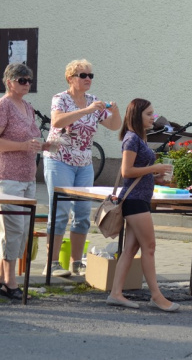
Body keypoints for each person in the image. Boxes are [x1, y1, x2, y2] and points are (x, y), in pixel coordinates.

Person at [44, 59, 121, 277]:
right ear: (70, 78)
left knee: (82, 214)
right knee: (60, 212)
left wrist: (114, 111)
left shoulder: (93, 100)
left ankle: (76, 263)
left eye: (90, 76)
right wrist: (86, 110)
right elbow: (57, 121)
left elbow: (114, 126)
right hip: (59, 159)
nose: (88, 79)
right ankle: (52, 264)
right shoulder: (61, 98)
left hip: (84, 163)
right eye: (83, 75)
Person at [106, 99, 179, 311]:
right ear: (137, 115)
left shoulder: (138, 138)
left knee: (131, 249)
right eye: (149, 114)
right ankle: (156, 296)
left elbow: (136, 172)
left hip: (139, 198)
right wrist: (153, 168)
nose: (152, 118)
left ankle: (116, 293)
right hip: (135, 200)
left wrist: (155, 176)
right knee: (149, 247)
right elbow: (126, 171)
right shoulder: (131, 139)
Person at [0, 63, 51, 300]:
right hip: (7, 177)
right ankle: (11, 284)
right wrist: (22, 146)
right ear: (9, 82)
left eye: (29, 79)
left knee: (21, 232)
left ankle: (3, 280)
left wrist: (46, 145)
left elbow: (31, 139)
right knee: (14, 230)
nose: (27, 83)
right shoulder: (4, 106)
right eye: (22, 80)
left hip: (28, 177)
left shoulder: (28, 107)